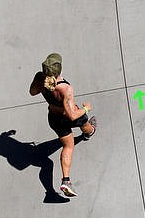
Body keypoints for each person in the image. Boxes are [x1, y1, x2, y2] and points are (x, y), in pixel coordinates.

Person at [29, 53, 96, 197]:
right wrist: (85, 109)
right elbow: (72, 115)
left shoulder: (40, 78)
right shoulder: (66, 88)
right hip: (68, 116)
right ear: (59, 68)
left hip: (54, 118)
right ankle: (89, 132)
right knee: (84, 122)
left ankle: (66, 181)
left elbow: (32, 92)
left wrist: (40, 83)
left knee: (67, 145)